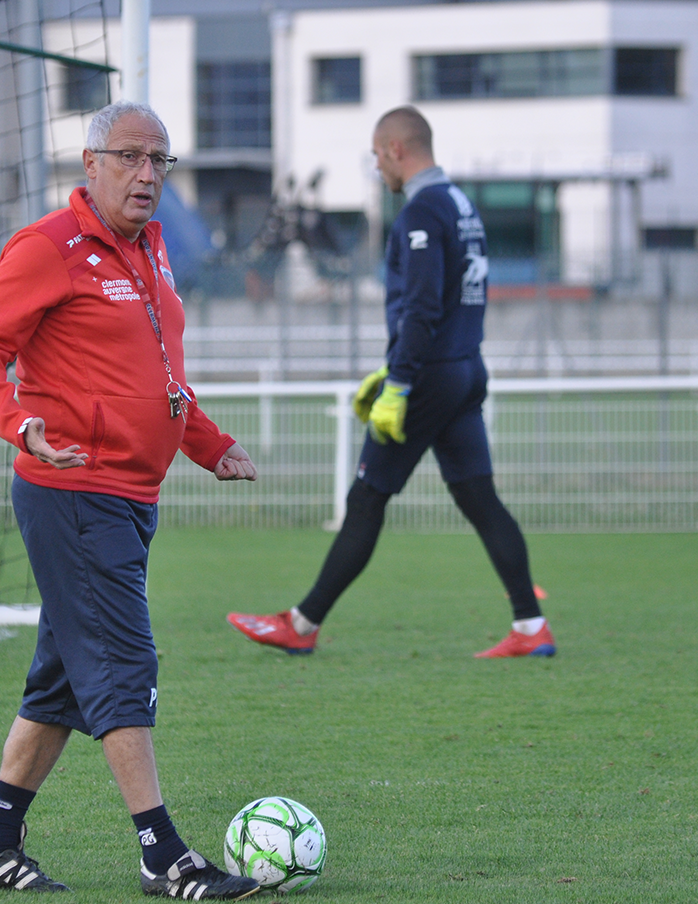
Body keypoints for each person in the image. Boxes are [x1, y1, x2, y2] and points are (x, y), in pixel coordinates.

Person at [0, 101, 261, 898]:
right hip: (73, 491)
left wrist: (210, 444)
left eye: (161, 160)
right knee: (126, 661)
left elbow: (160, 382)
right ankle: (165, 855)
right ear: (90, 165)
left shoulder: (151, 249)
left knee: (61, 682)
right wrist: (20, 425)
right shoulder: (48, 249)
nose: (148, 174)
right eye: (130, 156)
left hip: (130, 496)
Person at [227, 106, 555, 660]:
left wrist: (399, 381)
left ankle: (301, 625)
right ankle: (530, 626)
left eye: (378, 155)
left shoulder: (422, 211)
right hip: (464, 367)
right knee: (480, 498)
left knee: (367, 498)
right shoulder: (461, 204)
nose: (378, 167)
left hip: (427, 376)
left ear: (397, 150)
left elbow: (423, 305)